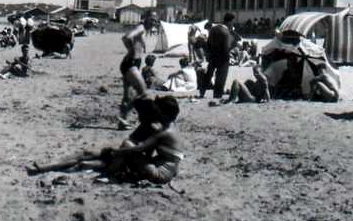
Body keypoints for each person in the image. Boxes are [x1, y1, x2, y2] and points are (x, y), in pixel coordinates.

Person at [28, 96, 184, 186]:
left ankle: (109, 175)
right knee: (87, 153)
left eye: (139, 113)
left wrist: (116, 153)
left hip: (142, 167)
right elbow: (144, 152)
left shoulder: (159, 130)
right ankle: (45, 167)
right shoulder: (154, 126)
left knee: (88, 161)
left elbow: (139, 150)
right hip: (136, 163)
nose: (137, 116)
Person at [118, 11, 158, 128]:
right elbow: (126, 37)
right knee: (143, 93)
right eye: (151, 19)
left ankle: (122, 122)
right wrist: (131, 50)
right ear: (145, 18)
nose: (153, 22)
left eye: (155, 20)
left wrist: (141, 45)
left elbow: (134, 39)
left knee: (127, 96)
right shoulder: (141, 28)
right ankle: (124, 113)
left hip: (130, 63)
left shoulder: (142, 29)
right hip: (131, 64)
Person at [199, 13, 236, 99]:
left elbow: (208, 43)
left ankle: (202, 92)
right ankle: (217, 94)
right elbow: (226, 47)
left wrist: (208, 54)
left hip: (212, 55)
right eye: (232, 22)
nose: (233, 24)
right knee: (221, 76)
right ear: (230, 21)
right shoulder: (226, 32)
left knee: (208, 75)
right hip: (223, 57)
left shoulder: (213, 29)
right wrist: (230, 51)